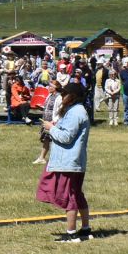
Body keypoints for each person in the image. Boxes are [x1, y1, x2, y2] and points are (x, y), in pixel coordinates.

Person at [38, 80, 92, 243]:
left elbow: (66, 137)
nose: (62, 96)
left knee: (69, 197)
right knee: (77, 195)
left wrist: (51, 128)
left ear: (72, 96)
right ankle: (85, 229)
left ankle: (71, 234)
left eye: (64, 94)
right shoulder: (75, 111)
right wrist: (57, 125)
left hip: (69, 161)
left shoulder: (76, 112)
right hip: (72, 161)